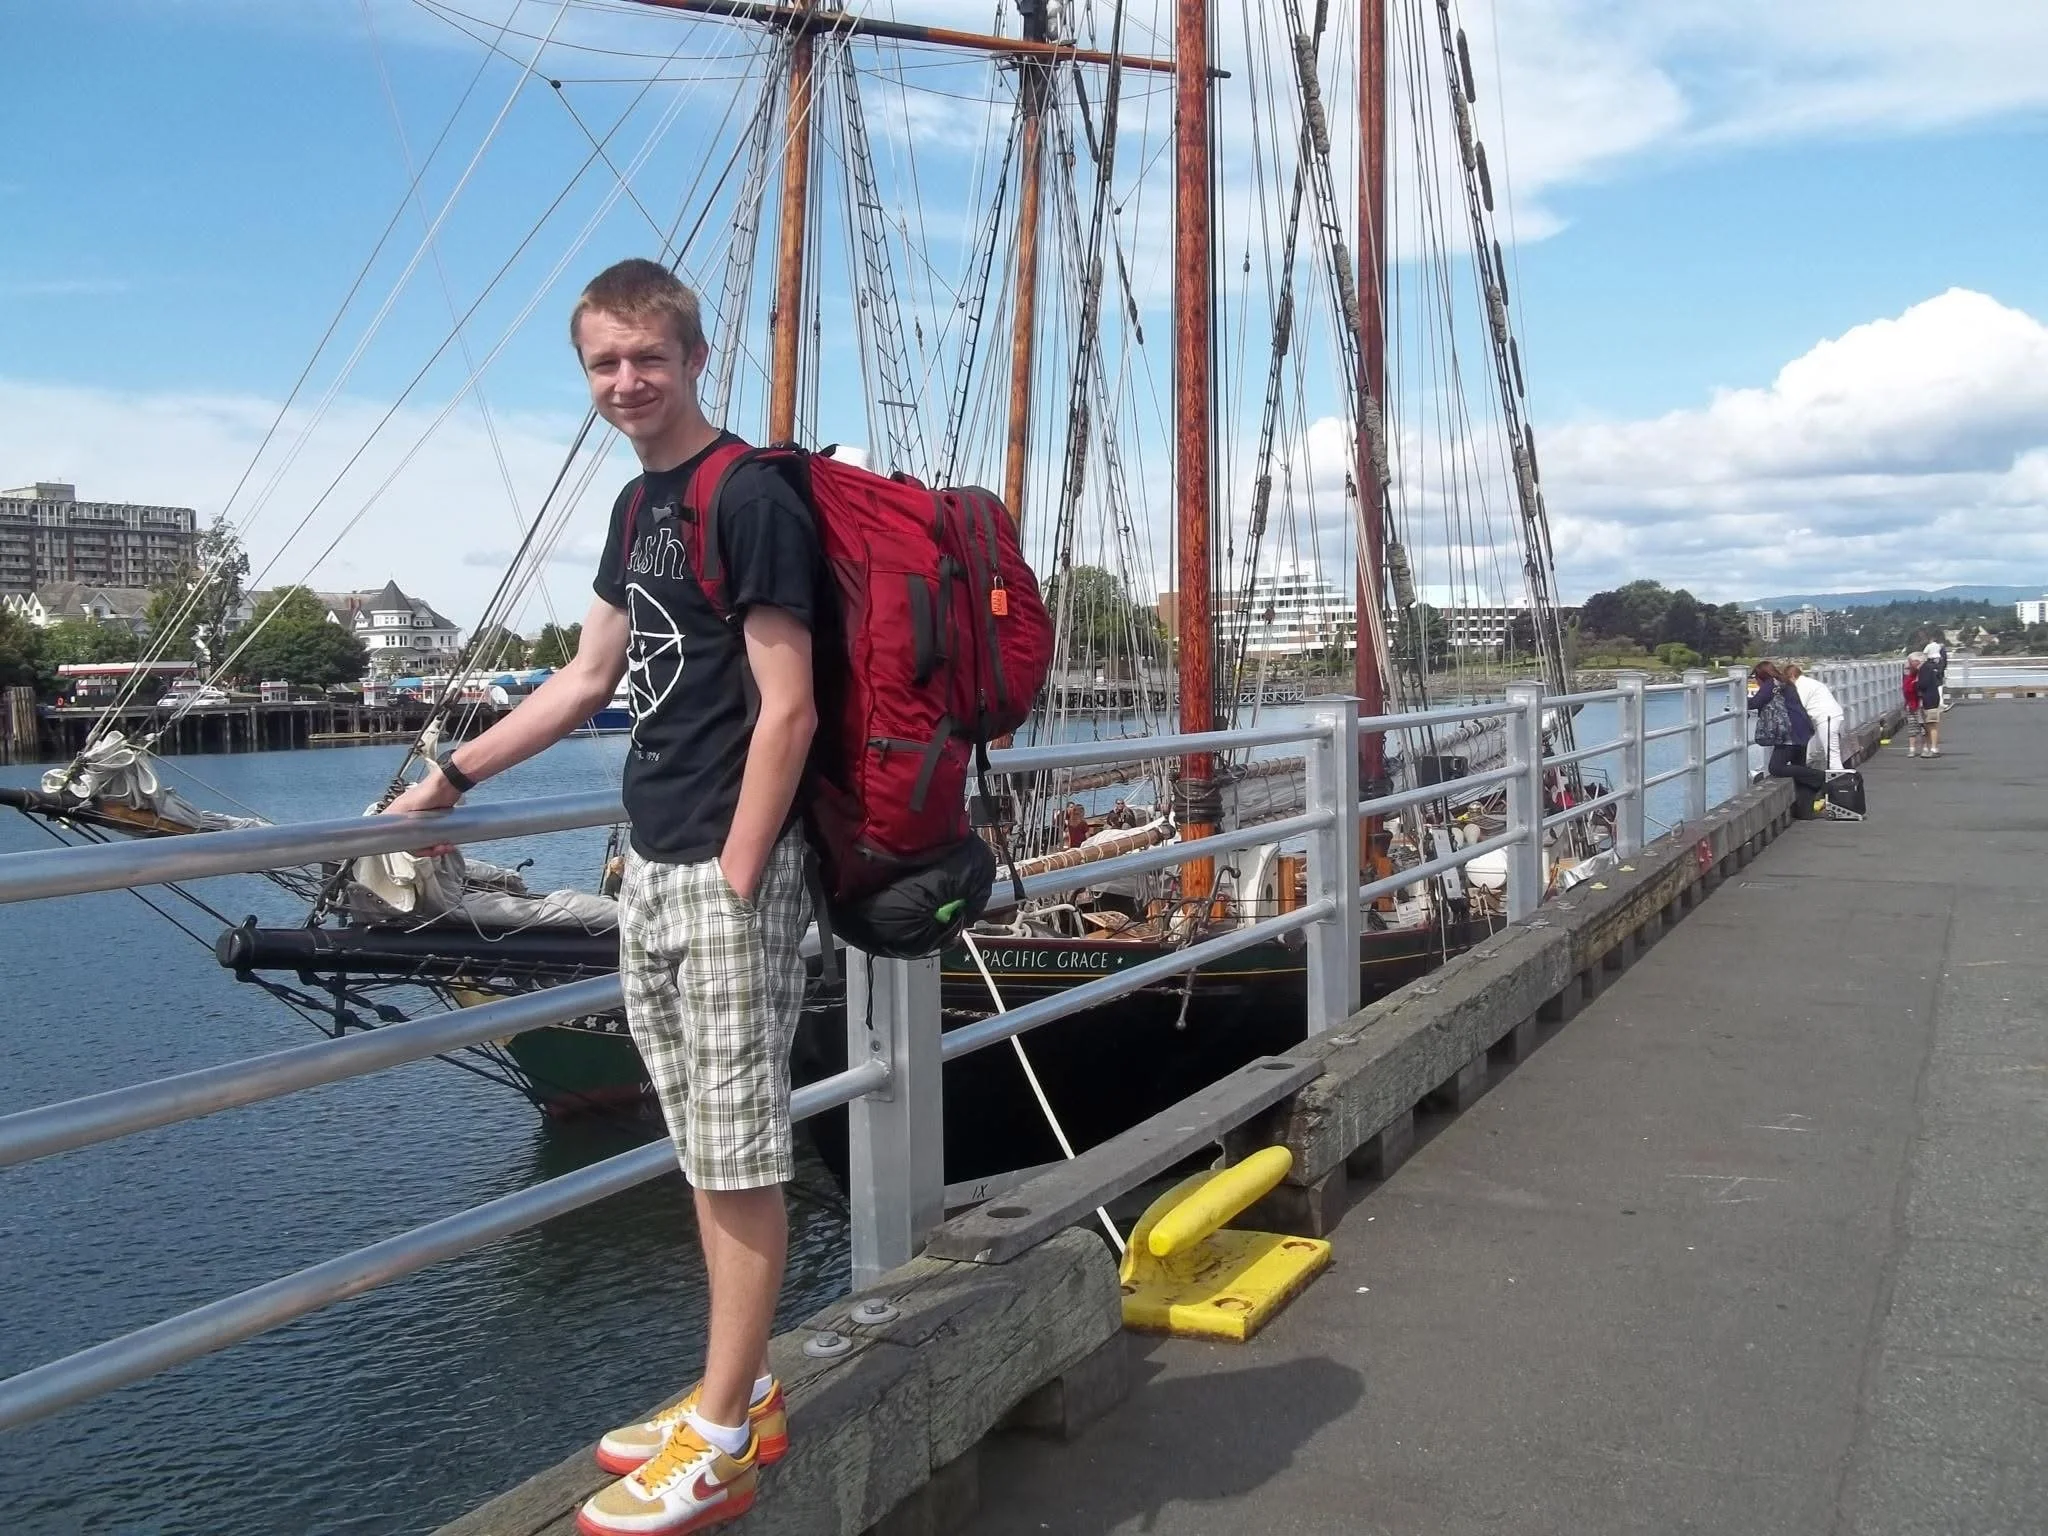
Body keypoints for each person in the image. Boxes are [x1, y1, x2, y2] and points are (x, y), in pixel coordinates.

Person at [383, 259, 815, 1535]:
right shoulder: (638, 507)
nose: (626, 381)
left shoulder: (747, 495)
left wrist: (739, 874)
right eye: (603, 363)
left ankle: (722, 1443)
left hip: (724, 871)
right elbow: (584, 679)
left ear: (692, 358)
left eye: (646, 358)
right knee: (699, 1145)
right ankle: (739, 1390)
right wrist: (448, 777)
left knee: (738, 1156)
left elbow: (788, 708)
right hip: (655, 863)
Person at [1749, 661, 1826, 794]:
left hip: (1790, 732)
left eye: (1756, 677)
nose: (1756, 681)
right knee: (1799, 771)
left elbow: (1755, 702)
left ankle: (1823, 777)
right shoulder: (1786, 682)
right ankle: (1807, 805)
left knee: (1776, 767)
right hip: (1803, 728)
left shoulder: (1771, 684)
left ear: (1761, 676)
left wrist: (1739, 703)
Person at [1783, 663, 1847, 774]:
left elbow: (1799, 706)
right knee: (1827, 751)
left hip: (1826, 718)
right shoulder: (1810, 682)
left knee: (1832, 753)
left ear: (1792, 676)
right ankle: (1834, 777)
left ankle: (1839, 777)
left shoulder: (1801, 686)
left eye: (1787, 680)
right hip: (1830, 716)